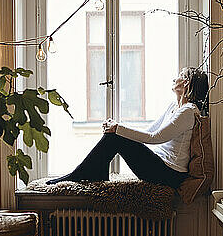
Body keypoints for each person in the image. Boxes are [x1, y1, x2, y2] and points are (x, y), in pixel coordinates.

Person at [46, 67, 209, 188]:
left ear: (187, 83)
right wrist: (117, 126)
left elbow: (155, 138)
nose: (175, 78)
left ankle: (82, 174)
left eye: (180, 76)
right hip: (161, 166)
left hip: (170, 173)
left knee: (115, 136)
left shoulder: (188, 112)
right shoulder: (174, 106)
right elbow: (150, 131)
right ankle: (91, 172)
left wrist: (118, 129)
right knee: (115, 135)